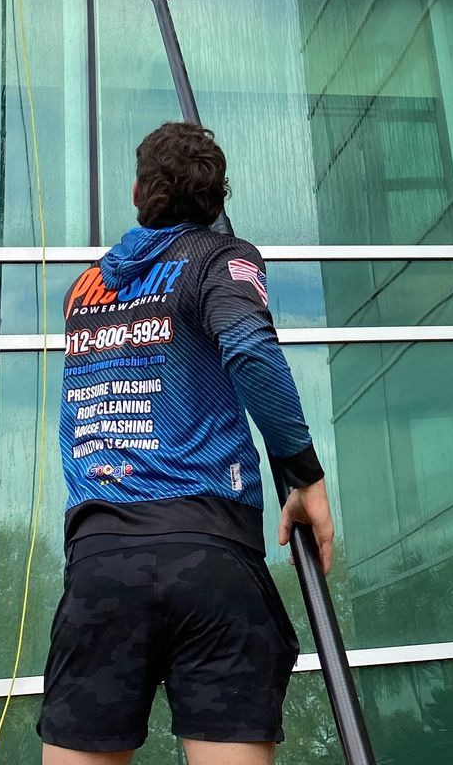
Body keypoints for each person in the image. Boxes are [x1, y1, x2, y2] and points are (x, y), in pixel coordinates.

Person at [40, 121, 335, 764]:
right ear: (217, 199)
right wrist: (305, 477)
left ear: (137, 190)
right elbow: (251, 350)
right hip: (209, 556)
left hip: (102, 563)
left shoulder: (84, 290)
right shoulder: (219, 261)